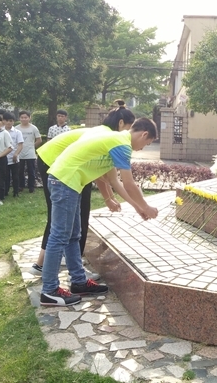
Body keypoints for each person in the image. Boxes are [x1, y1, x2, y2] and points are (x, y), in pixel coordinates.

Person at [40, 117, 159, 306]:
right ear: (144, 134)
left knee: (73, 235)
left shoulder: (116, 141)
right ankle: (49, 291)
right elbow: (129, 183)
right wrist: (146, 207)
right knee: (59, 236)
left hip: (70, 182)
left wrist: (138, 208)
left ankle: (79, 282)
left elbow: (114, 182)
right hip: (65, 181)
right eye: (147, 143)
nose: (143, 148)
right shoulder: (122, 144)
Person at [31, 101, 136, 277]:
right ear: (121, 123)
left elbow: (99, 172)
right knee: (72, 217)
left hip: (56, 162)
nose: (130, 134)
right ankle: (52, 267)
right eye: (129, 128)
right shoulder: (109, 136)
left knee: (70, 217)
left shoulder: (104, 133)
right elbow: (104, 175)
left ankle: (59, 266)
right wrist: (114, 200)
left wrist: (109, 198)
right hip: (59, 165)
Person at [16, 110, 42, 193]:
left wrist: (32, 146)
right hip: (19, 152)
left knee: (31, 170)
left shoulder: (33, 128)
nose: (24, 119)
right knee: (20, 170)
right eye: (22, 117)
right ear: (19, 118)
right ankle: (21, 186)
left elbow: (39, 140)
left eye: (26, 117)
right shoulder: (16, 128)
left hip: (30, 153)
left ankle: (31, 186)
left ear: (29, 118)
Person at [2, 112, 23, 197]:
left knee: (15, 176)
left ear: (13, 121)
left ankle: (16, 192)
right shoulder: (1, 131)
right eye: (6, 120)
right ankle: (5, 191)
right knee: (5, 176)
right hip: (3, 157)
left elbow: (20, 145)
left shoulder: (17, 132)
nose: (8, 122)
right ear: (3, 121)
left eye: (10, 121)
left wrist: (16, 154)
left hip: (14, 158)